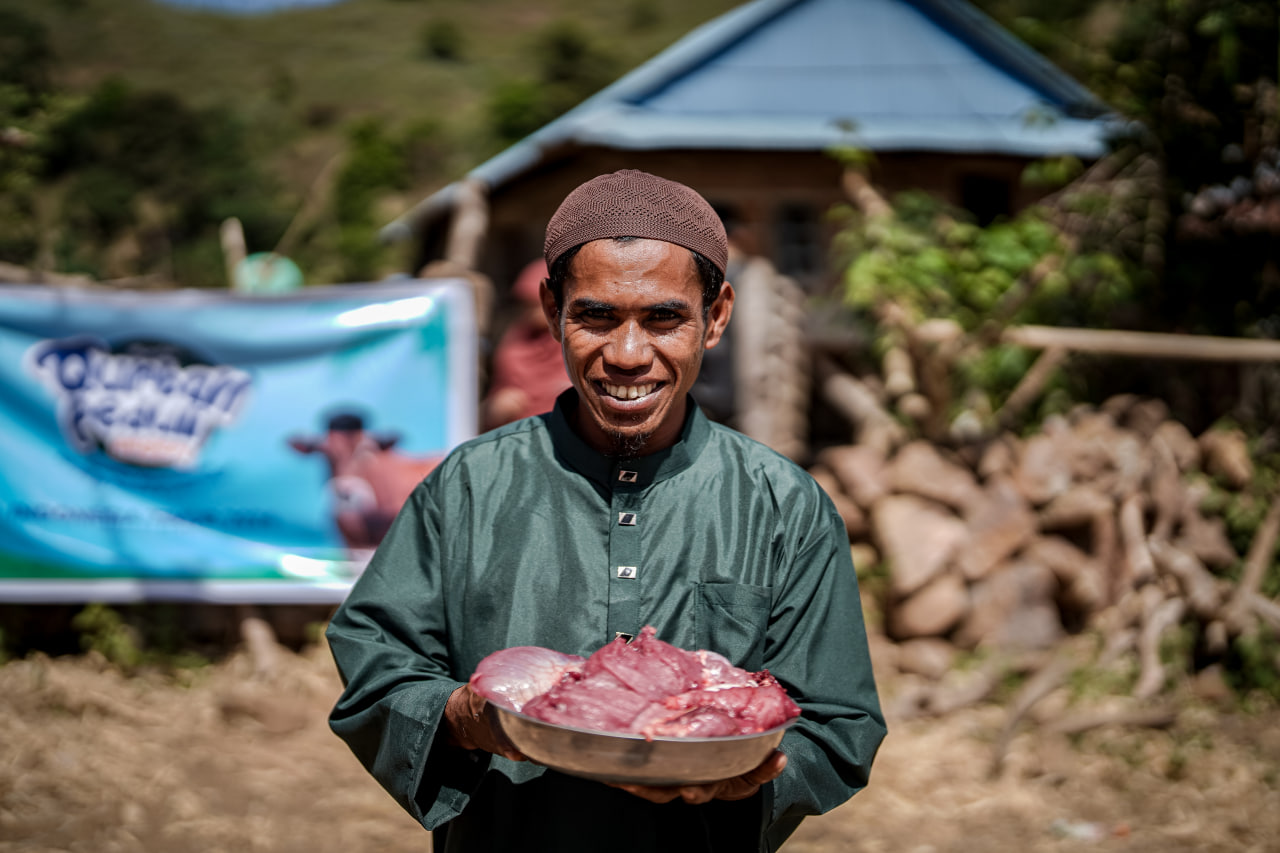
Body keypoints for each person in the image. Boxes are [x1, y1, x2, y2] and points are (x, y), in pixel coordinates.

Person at [325, 169, 885, 852]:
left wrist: (744, 775)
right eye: (595, 315)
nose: (626, 354)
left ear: (716, 317)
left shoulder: (782, 505)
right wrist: (464, 716)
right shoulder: (469, 485)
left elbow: (838, 720)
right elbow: (377, 659)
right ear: (551, 306)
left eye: (663, 317)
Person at [481, 258, 571, 430]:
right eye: (526, 303)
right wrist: (496, 407)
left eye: (536, 302)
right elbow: (493, 401)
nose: (530, 311)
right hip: (519, 441)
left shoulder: (577, 344)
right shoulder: (516, 341)